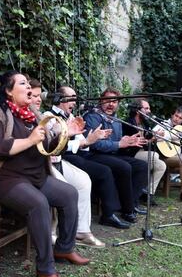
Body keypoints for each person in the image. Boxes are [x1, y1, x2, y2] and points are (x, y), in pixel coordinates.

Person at [0, 71, 89, 277]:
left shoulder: (33, 115)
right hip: (2, 180)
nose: (29, 87)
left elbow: (48, 144)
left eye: (29, 83)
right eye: (23, 83)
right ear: (9, 90)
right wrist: (29, 140)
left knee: (68, 194)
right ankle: (46, 270)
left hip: (34, 177)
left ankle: (64, 248)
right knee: (38, 203)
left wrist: (68, 133)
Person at [44, 85, 131, 229]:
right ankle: (107, 214)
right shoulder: (49, 117)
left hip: (75, 154)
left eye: (75, 99)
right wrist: (85, 142)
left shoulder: (71, 117)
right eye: (71, 98)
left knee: (105, 169)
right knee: (104, 171)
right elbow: (54, 146)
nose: (74, 102)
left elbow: (81, 142)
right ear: (59, 99)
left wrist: (91, 139)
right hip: (62, 157)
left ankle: (110, 212)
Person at [83, 88, 149, 223]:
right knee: (124, 167)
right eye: (107, 100)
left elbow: (117, 143)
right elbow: (95, 144)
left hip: (111, 155)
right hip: (94, 155)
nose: (111, 104)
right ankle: (127, 209)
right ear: (101, 100)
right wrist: (119, 144)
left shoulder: (116, 120)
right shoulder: (92, 117)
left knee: (142, 166)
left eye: (114, 102)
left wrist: (130, 142)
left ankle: (130, 203)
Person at [123, 99, 166, 205]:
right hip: (131, 153)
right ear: (138, 111)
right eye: (146, 108)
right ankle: (138, 190)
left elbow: (148, 139)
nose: (149, 111)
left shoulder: (145, 123)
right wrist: (152, 138)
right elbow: (137, 142)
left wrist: (154, 137)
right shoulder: (129, 123)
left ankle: (148, 194)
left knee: (161, 165)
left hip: (143, 152)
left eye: (149, 108)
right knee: (154, 156)